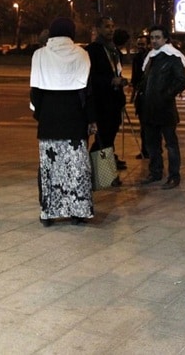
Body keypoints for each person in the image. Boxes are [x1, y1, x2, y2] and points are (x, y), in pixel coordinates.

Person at [30, 17, 96, 226]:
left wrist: (40, 114)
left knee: (50, 167)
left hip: (49, 119)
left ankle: (49, 212)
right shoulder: (82, 54)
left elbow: (35, 92)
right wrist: (91, 119)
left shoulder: (40, 55)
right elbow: (88, 91)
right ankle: (78, 211)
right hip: (75, 119)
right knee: (76, 167)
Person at [137, 25, 185, 189]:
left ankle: (174, 176)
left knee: (171, 144)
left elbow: (183, 80)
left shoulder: (172, 57)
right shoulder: (151, 57)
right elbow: (146, 81)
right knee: (152, 144)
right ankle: (155, 172)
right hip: (149, 108)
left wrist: (166, 95)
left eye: (157, 37)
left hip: (165, 108)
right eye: (152, 37)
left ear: (166, 39)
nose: (154, 40)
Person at [86, 16, 128, 179]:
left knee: (109, 138)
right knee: (103, 139)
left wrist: (120, 81)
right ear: (98, 29)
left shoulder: (114, 50)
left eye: (112, 26)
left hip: (115, 101)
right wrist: (110, 81)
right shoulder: (93, 50)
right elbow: (91, 77)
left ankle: (104, 173)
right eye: (106, 26)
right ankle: (103, 175)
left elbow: (116, 71)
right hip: (101, 102)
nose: (111, 30)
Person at [130, 34, 150, 160]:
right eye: (139, 44)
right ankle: (144, 150)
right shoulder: (137, 58)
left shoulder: (152, 57)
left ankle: (151, 150)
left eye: (142, 44)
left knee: (151, 126)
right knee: (143, 126)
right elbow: (135, 77)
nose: (140, 47)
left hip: (151, 95)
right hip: (141, 96)